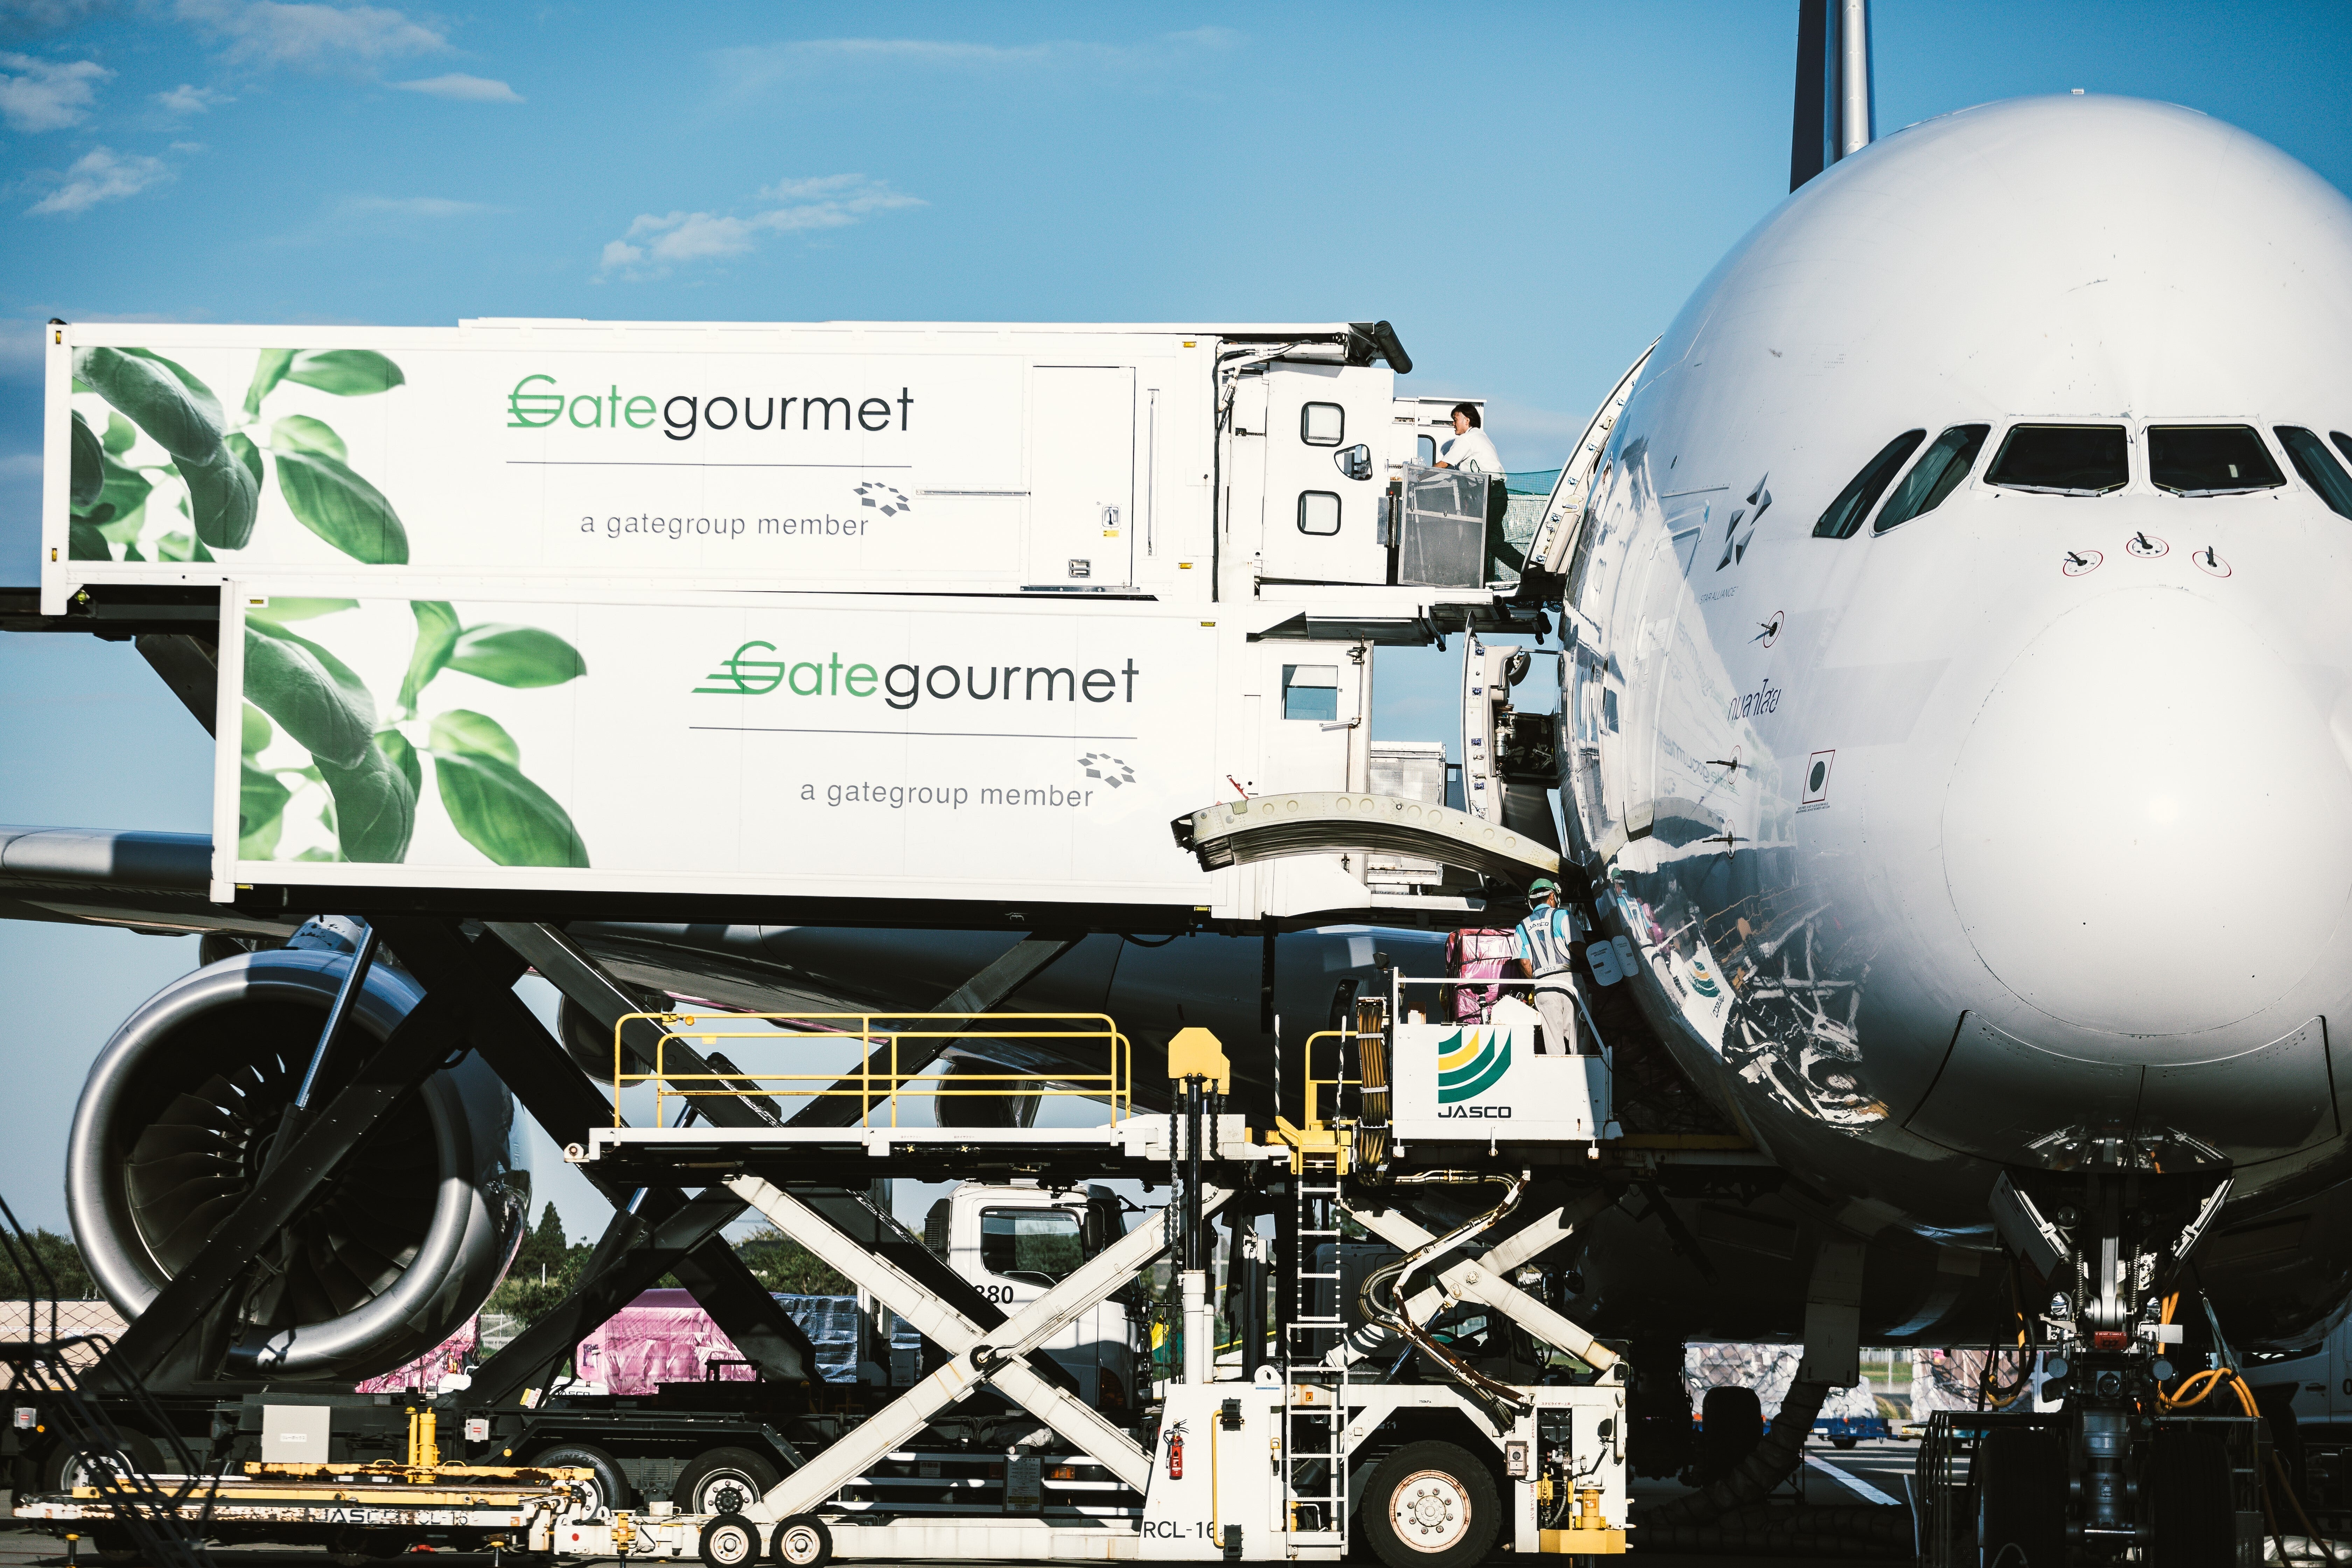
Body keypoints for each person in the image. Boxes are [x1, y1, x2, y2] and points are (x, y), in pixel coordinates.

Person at [1510, 877, 1583, 1056]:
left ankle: (1558, 1072)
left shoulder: (1522, 927)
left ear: (1531, 902)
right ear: (1552, 896)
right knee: (1578, 1041)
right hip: (1570, 981)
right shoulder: (1563, 916)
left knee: (1554, 1045)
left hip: (1543, 985)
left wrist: (1537, 982)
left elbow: (1525, 963)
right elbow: (1576, 946)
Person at [1435, 401, 1502, 475]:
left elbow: (1443, 465)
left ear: (1467, 421)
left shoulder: (1466, 439)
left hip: (1486, 482)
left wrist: (1424, 476)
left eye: (1456, 420)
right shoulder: (1482, 436)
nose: (1453, 424)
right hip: (1496, 481)